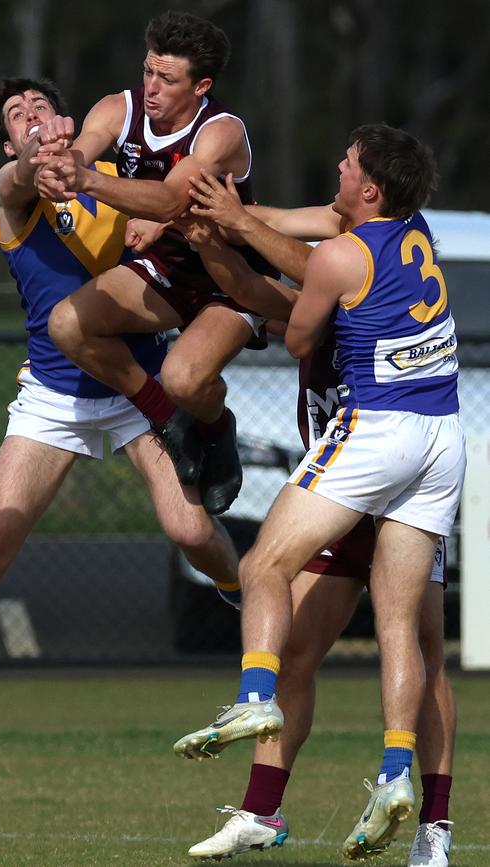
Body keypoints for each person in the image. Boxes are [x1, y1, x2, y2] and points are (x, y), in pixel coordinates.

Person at [0, 76, 241, 760]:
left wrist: (104, 177)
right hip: (54, 396)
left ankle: (248, 593)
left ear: (65, 116)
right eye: (15, 115)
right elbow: (16, 180)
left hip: (135, 383)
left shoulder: (115, 171)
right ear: (9, 142)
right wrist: (37, 163)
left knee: (189, 528)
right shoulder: (16, 192)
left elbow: (162, 208)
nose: (30, 116)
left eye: (39, 105)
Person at [173, 123, 465, 862]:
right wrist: (223, 224)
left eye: (348, 163)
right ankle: (341, 799)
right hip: (436, 440)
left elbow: (293, 320)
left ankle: (254, 695)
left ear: (369, 187)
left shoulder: (339, 258)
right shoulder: (408, 227)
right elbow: (285, 233)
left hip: (372, 444)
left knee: (263, 565)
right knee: (378, 639)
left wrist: (234, 231)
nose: (337, 166)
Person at [29, 10, 295, 515]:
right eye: (148, 71)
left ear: (202, 86)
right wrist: (60, 169)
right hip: (170, 266)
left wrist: (86, 182)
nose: (151, 87)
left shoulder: (221, 133)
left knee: (185, 376)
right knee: (67, 325)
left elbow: (171, 201)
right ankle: (166, 417)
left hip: (229, 277)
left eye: (167, 79)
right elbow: (82, 152)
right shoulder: (118, 109)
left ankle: (218, 429)